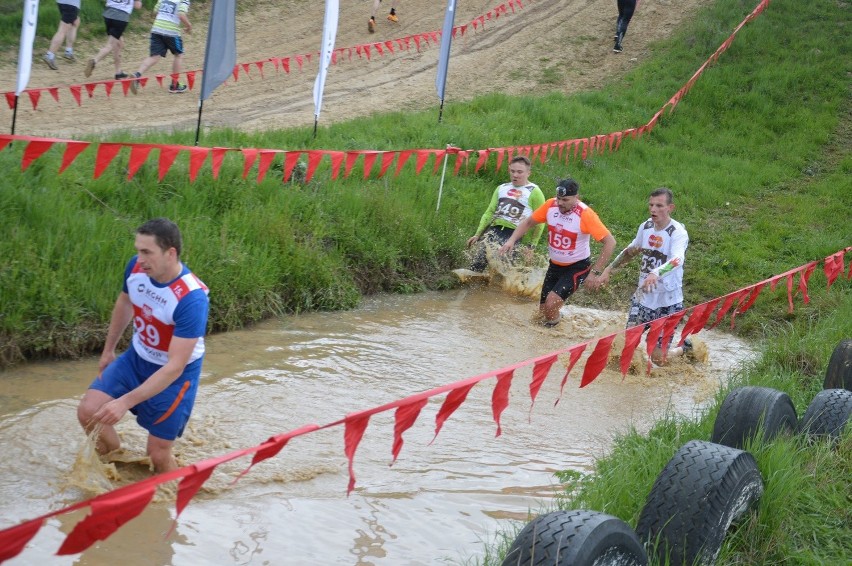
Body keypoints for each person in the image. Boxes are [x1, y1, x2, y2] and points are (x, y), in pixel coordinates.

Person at [77, 218, 209, 473]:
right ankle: (117, 470)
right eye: (138, 250)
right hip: (136, 358)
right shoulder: (137, 269)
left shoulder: (192, 299)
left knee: (158, 456)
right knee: (89, 412)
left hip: (173, 376)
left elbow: (174, 367)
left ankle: (171, 498)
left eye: (147, 252)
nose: (139, 259)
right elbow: (125, 303)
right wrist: (108, 350)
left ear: (170, 253)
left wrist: (123, 402)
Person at [500, 179, 616, 326]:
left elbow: (610, 242)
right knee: (542, 312)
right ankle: (553, 329)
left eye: (565, 200)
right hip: (554, 266)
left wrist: (596, 272)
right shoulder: (550, 205)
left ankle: (551, 337)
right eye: (559, 199)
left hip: (577, 267)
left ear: (576, 198)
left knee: (551, 304)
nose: (560, 203)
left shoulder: (585, 214)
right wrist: (511, 240)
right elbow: (528, 222)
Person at [599, 187, 692, 364]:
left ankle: (684, 349)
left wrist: (655, 273)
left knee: (657, 359)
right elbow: (630, 250)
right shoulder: (646, 226)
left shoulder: (678, 232)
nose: (653, 210)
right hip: (642, 296)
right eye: (651, 205)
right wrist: (608, 270)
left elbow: (677, 260)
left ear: (670, 208)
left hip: (668, 301)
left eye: (659, 206)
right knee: (627, 346)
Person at [466, 155, 546, 273]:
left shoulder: (535, 192)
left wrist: (532, 246)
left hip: (515, 234)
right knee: (478, 263)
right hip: (494, 229)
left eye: (520, 172)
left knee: (505, 270)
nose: (515, 175)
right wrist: (477, 234)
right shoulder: (501, 188)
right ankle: (471, 286)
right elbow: (490, 212)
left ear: (528, 173)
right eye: (512, 171)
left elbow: (540, 222)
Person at [129, 0, 192, 95]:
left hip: (156, 29)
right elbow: (181, 14)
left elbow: (155, 11)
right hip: (172, 31)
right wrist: (189, 26)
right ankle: (174, 85)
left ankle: (137, 75)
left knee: (154, 57)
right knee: (178, 55)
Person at [85, 0, 144, 81]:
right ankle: (94, 61)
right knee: (110, 45)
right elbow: (138, 6)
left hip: (108, 14)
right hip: (121, 17)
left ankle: (118, 72)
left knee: (118, 43)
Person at [42, 0, 81, 70]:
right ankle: (50, 55)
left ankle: (69, 51)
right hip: (71, 4)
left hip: (62, 2)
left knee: (75, 21)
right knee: (63, 29)